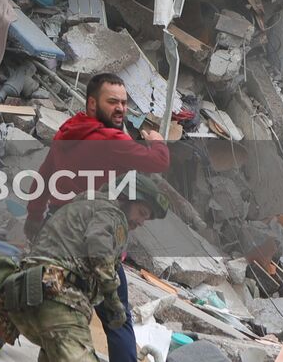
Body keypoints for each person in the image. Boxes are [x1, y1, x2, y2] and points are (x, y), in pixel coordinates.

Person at [21, 72, 172, 362]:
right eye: (112, 101)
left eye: (124, 103)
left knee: (57, 298)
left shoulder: (68, 130)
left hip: (58, 230)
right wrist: (157, 141)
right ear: (92, 104)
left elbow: (44, 175)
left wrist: (34, 216)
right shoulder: (110, 139)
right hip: (95, 233)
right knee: (117, 316)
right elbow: (159, 162)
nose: (120, 108)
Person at [0, 179, 169, 362]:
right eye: (141, 212)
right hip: (58, 304)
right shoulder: (113, 215)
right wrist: (114, 301)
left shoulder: (81, 207)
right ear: (125, 197)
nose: (142, 221)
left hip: (17, 296)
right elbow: (99, 250)